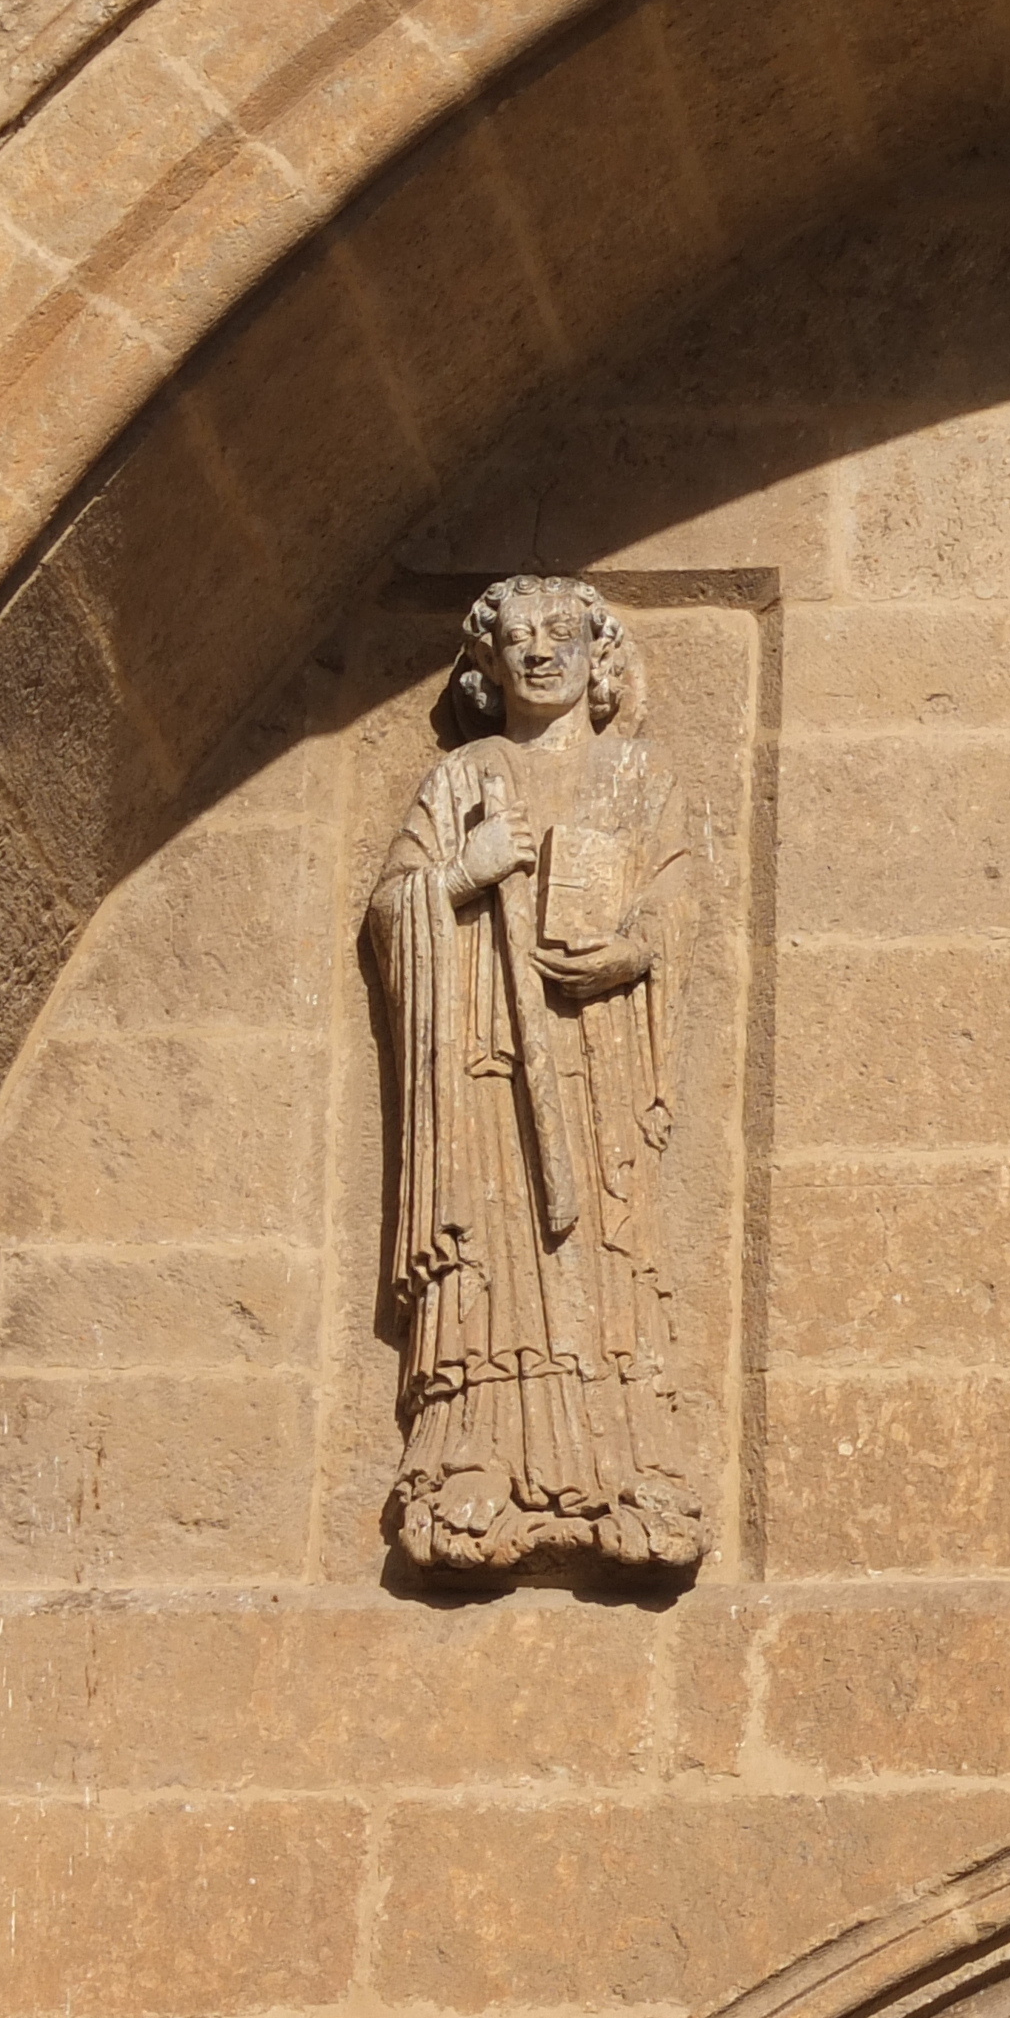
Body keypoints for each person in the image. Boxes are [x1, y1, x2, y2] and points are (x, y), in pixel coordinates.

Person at [369, 575, 708, 1578]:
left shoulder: (635, 777)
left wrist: (630, 954)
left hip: (598, 1057)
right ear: (485, 665)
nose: (538, 653)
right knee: (489, 1242)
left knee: (603, 1249)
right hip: (481, 1056)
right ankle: (473, 1455)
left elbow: (676, 903)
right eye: (514, 639)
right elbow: (395, 908)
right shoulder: (462, 777)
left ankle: (624, 1458)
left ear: (598, 656)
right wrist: (462, 876)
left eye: (561, 634)